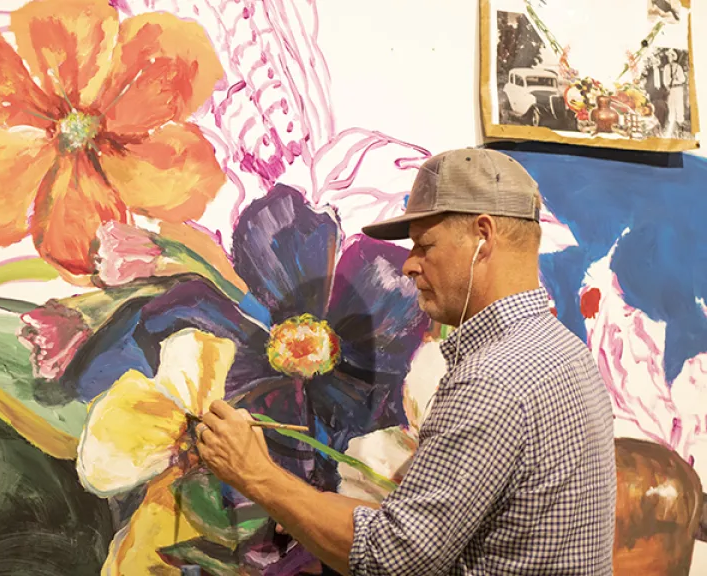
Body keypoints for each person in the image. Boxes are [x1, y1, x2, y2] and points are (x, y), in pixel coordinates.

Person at [196, 148, 617, 575]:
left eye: (424, 245)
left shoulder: (491, 380)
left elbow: (391, 560)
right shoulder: (565, 353)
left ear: (483, 237)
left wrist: (257, 475)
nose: (410, 265)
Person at [662, 48, 687, 137]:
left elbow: (683, 79)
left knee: (679, 105)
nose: (669, 58)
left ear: (674, 57)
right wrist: (669, 83)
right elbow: (665, 80)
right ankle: (672, 126)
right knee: (671, 106)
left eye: (671, 56)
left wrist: (677, 77)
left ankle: (680, 125)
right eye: (668, 56)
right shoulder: (666, 68)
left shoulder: (678, 67)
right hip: (671, 89)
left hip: (678, 88)